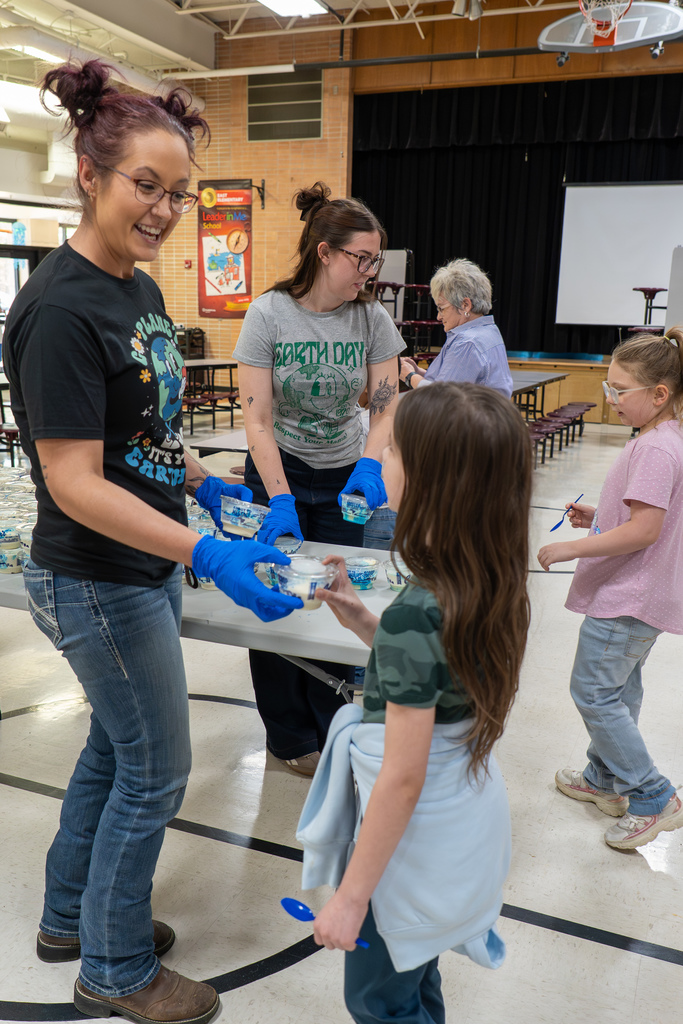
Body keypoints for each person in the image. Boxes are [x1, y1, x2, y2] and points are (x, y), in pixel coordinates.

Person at [2, 60, 301, 1024]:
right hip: (97, 575)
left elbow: (142, 437)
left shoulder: (134, 286)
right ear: (89, 174)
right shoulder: (59, 308)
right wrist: (200, 552)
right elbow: (75, 482)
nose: (167, 210)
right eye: (147, 186)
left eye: (180, 193)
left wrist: (208, 487)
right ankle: (115, 965)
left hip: (146, 559)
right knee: (155, 770)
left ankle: (66, 919)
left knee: (114, 749)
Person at [295, 381, 532, 1024]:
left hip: (408, 850)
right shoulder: (487, 576)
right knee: (414, 980)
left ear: (430, 480)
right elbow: (440, 675)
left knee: (377, 1000)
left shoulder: (418, 611)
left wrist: (350, 897)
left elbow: (401, 779)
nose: (379, 461)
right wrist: (365, 625)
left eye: (392, 449)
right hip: (461, 832)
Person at [234, 181, 404, 777]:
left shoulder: (371, 318)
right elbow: (254, 418)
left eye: (374, 260)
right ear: (325, 253)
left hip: (343, 474)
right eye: (361, 259)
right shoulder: (268, 314)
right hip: (278, 467)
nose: (369, 272)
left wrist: (370, 462)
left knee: (338, 597)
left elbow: (384, 407)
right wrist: (278, 497)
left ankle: (333, 723)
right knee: (274, 594)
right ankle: (287, 735)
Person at [538, 330, 683, 851]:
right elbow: (648, 516)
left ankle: (652, 794)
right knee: (620, 691)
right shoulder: (662, 439)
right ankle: (604, 779)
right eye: (608, 386)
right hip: (641, 595)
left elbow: (645, 532)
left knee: (594, 693)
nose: (611, 397)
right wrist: (601, 517)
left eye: (621, 390)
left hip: (629, 596)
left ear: (659, 394)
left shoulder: (656, 449)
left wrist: (568, 550)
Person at [399, 257, 513, 398]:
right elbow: (449, 382)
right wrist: (418, 372)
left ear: (465, 305)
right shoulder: (489, 330)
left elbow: (441, 398)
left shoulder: (467, 343)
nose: (438, 317)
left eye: (442, 308)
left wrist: (409, 376)